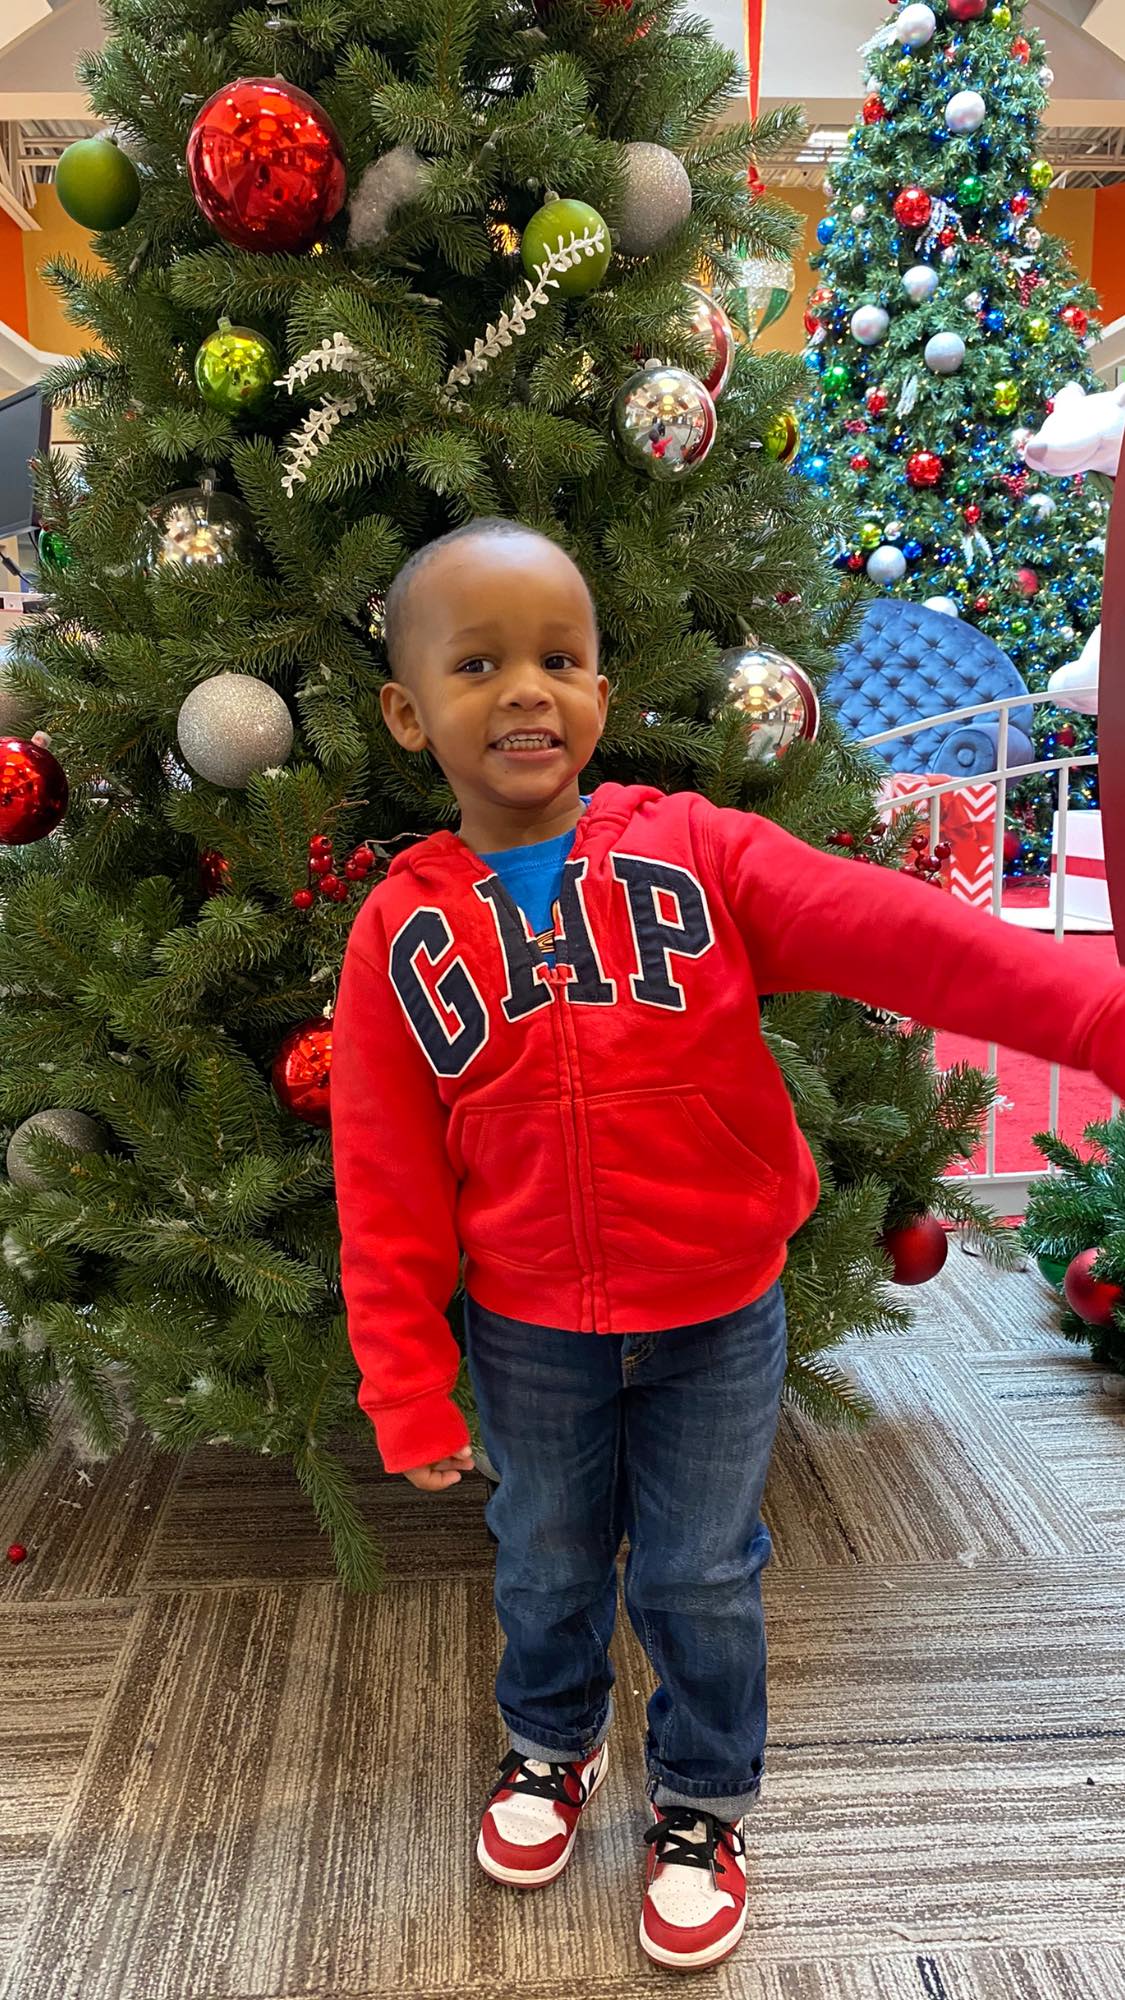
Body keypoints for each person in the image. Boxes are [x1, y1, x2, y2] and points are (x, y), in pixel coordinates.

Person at [330, 518, 1125, 1973]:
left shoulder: (695, 852)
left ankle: (699, 1801)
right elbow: (382, 1175)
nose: (525, 689)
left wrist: (1091, 1015)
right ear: (407, 711)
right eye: (478, 665)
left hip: (714, 1314)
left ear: (602, 693)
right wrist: (403, 1378)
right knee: (545, 1556)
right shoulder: (399, 933)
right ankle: (551, 1742)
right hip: (528, 1328)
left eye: (558, 659)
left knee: (699, 1573)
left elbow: (897, 932)